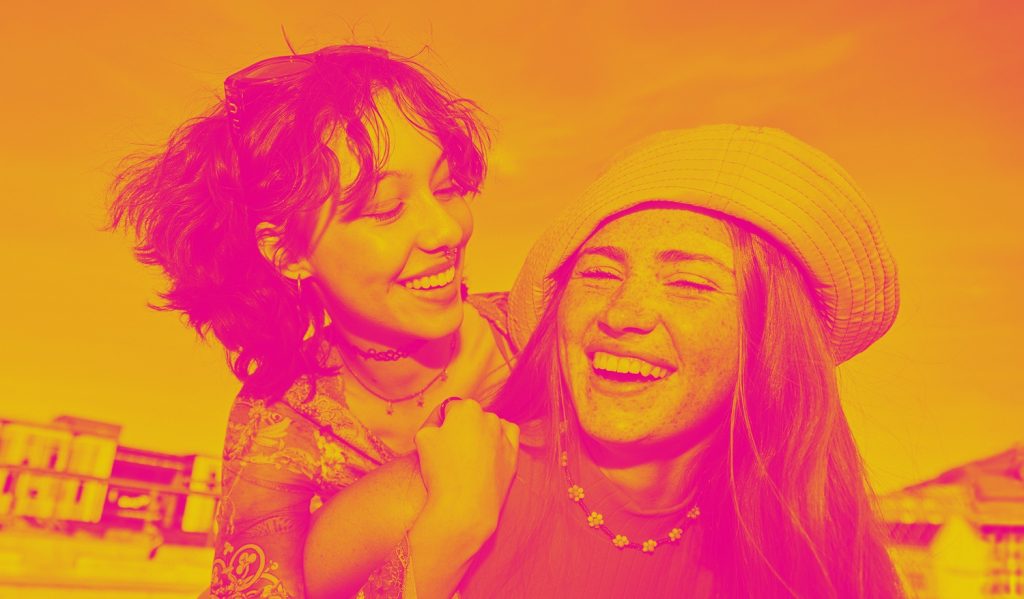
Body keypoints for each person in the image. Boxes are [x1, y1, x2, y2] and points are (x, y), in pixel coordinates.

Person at [305, 124, 906, 598]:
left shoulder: (823, 552)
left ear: (771, 339)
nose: (623, 314)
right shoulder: (414, 502)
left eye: (690, 283)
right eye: (598, 273)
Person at [109, 44, 520, 598]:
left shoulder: (538, 335)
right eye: (386, 209)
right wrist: (446, 530)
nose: (446, 231)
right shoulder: (282, 419)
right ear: (288, 252)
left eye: (446, 188)